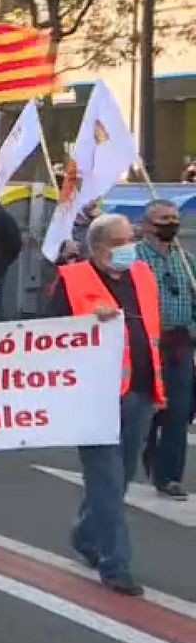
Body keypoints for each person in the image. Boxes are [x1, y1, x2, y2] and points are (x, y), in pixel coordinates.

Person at [47, 215, 163, 596]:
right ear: (98, 248)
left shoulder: (142, 275)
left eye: (132, 238)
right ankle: (116, 564)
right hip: (94, 398)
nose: (131, 246)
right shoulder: (72, 281)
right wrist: (87, 322)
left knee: (121, 477)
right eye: (122, 241)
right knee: (107, 481)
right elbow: (48, 339)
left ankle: (85, 535)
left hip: (140, 393)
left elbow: (152, 329)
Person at [135, 200, 191, 498]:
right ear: (146, 225)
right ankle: (146, 451)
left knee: (179, 411)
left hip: (180, 345)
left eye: (174, 218)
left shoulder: (186, 261)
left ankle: (169, 476)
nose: (170, 223)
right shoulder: (133, 259)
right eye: (163, 219)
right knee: (146, 409)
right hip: (146, 343)